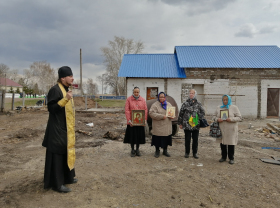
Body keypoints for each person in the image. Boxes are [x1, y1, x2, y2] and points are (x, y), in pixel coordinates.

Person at [42, 66, 77, 193]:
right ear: (63, 78)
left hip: (65, 127)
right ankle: (57, 184)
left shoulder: (66, 89)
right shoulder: (55, 90)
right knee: (57, 153)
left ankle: (68, 177)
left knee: (66, 151)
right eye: (70, 76)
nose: (73, 78)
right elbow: (51, 108)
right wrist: (65, 99)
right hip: (56, 129)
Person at [213, 95, 242, 164]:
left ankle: (231, 158)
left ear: (229, 100)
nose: (225, 101)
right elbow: (213, 117)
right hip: (221, 129)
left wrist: (231, 119)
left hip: (231, 129)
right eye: (224, 100)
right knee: (222, 143)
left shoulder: (234, 107)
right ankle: (223, 157)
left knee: (231, 143)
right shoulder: (219, 108)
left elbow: (240, 118)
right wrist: (217, 119)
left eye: (226, 100)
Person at [178, 89, 205, 159]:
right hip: (187, 125)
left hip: (195, 125)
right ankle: (187, 152)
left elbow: (203, 112)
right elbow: (181, 113)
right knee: (187, 139)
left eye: (192, 93)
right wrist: (180, 123)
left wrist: (198, 116)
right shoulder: (185, 103)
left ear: (195, 94)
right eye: (190, 93)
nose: (191, 94)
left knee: (195, 140)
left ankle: (195, 153)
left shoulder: (198, 103)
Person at [124, 87, 148, 157]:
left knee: (138, 136)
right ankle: (132, 149)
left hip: (140, 122)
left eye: (137, 92)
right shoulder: (129, 99)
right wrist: (129, 120)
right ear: (133, 92)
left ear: (139, 92)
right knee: (132, 136)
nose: (136, 93)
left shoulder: (143, 100)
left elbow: (145, 110)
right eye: (135, 92)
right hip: (132, 122)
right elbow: (127, 110)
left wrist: (144, 120)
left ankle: (137, 149)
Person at [149, 92, 174, 158]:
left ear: (165, 97)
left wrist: (172, 116)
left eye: (163, 97)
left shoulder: (169, 104)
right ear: (158, 97)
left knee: (166, 138)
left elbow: (172, 113)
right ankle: (157, 151)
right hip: (158, 126)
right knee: (157, 139)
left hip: (166, 125)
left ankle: (165, 151)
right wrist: (161, 116)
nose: (162, 98)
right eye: (160, 97)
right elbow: (151, 113)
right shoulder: (155, 105)